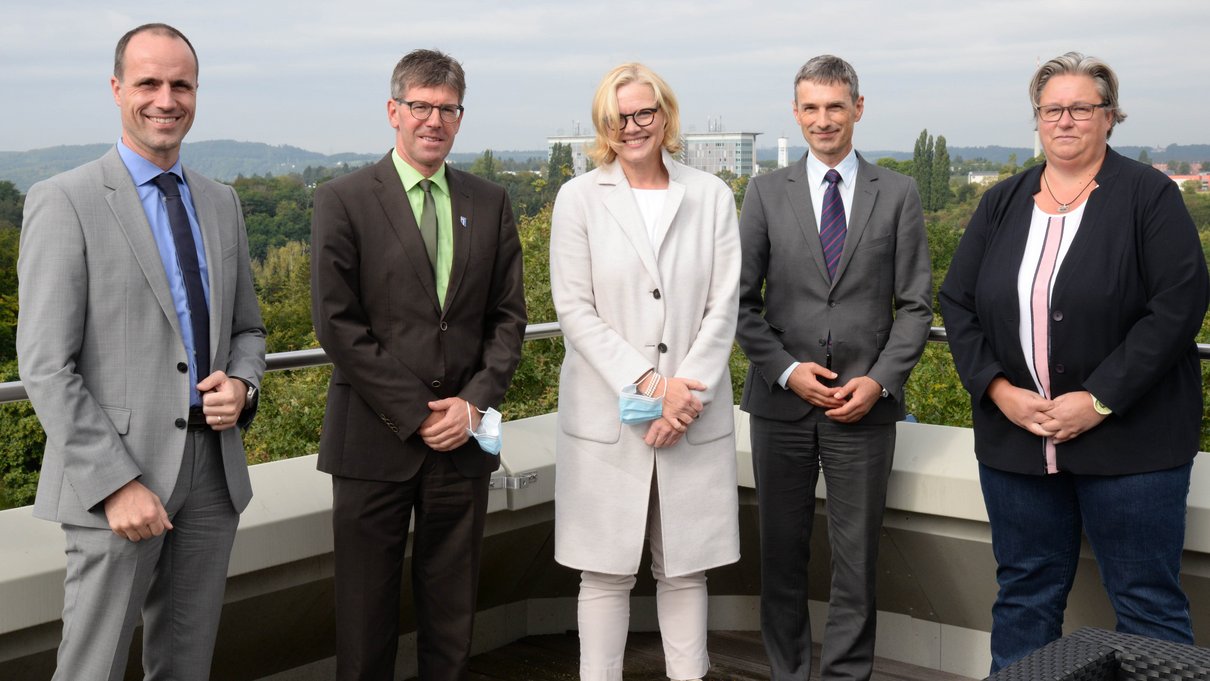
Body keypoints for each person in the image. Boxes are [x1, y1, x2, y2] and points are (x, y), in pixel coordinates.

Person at [939, 52, 1208, 671]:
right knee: (1024, 599)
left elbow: (1177, 308)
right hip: (1018, 446)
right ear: (1036, 119)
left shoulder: (1150, 196)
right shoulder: (1003, 201)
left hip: (1133, 450)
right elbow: (956, 301)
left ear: (1110, 117)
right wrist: (997, 389)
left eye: (1082, 108)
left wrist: (1098, 399)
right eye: (1052, 109)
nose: (1066, 120)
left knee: (1146, 608)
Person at [16, 23, 266, 681]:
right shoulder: (64, 201)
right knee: (90, 667)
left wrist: (243, 387)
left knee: (186, 665)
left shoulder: (221, 203)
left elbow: (248, 331)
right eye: (149, 82)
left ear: (196, 93)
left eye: (180, 84)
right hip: (116, 483)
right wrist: (115, 483)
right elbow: (44, 363)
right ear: (117, 88)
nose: (166, 98)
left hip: (212, 473)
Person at [310, 48, 526, 681]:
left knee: (452, 615)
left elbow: (508, 318)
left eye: (447, 109)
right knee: (365, 617)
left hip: (463, 441)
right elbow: (336, 323)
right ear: (393, 111)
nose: (434, 120)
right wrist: (417, 413)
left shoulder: (490, 201)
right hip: (372, 443)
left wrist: (471, 404)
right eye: (421, 107)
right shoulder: (343, 198)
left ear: (460, 116)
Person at [735, 54, 932, 681]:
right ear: (797, 114)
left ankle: (848, 676)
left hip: (864, 408)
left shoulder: (897, 192)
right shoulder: (765, 192)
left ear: (858, 109)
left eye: (835, 107)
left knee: (856, 562)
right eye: (811, 109)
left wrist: (878, 381)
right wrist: (787, 370)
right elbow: (738, 304)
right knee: (782, 556)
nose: (824, 120)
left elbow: (916, 306)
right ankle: (787, 674)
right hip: (781, 407)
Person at [549, 63, 741, 681]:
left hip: (692, 413)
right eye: (618, 117)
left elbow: (724, 305)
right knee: (604, 571)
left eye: (643, 114)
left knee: (684, 568)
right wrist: (652, 388)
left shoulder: (710, 195)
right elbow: (575, 310)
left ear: (665, 116)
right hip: (609, 415)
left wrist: (682, 397)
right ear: (604, 126)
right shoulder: (578, 198)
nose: (632, 127)